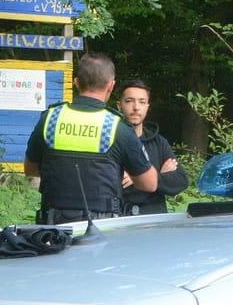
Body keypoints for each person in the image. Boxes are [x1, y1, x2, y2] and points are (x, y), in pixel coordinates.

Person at [24, 52, 157, 221]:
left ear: (76, 83)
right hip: (101, 229)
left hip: (53, 229)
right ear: (111, 86)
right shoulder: (117, 126)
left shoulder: (50, 119)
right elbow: (149, 184)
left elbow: (30, 169)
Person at [117, 79, 189, 215]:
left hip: (155, 221)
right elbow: (111, 187)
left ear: (148, 106)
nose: (136, 107)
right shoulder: (111, 141)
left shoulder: (159, 142)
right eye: (129, 101)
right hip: (121, 219)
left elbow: (180, 181)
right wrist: (159, 177)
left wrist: (136, 179)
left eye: (142, 102)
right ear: (119, 105)